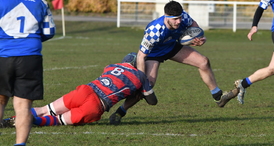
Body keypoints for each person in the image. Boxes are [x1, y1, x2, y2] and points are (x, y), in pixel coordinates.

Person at [109, 0, 239, 125]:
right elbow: (141, 56)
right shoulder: (154, 31)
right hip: (153, 54)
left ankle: (218, 97)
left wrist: (199, 37)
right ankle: (120, 111)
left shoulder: (183, 17)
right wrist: (142, 80)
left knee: (203, 62)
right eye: (175, 19)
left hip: (172, 47)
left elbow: (193, 24)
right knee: (147, 86)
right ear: (166, 17)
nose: (178, 21)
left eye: (180, 18)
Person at [1, 53, 157, 127]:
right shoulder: (140, 76)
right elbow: (152, 101)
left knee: (45, 109)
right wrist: (140, 92)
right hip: (98, 105)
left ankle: (10, 120)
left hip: (86, 90)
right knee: (58, 120)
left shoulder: (111, 66)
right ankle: (29, 121)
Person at [0, 0, 56, 146]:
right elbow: (49, 31)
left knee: (0, 100)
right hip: (30, 57)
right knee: (23, 106)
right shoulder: (40, 1)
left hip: (3, 56)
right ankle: (20, 144)